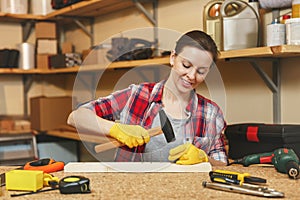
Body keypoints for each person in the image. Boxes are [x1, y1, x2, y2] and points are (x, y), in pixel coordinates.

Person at [67, 30, 228, 166]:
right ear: (173, 58)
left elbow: (223, 164)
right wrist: (115, 129)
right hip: (133, 190)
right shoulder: (138, 95)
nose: (192, 76)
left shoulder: (211, 113)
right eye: (186, 65)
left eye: (201, 71)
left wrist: (205, 159)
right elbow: (75, 117)